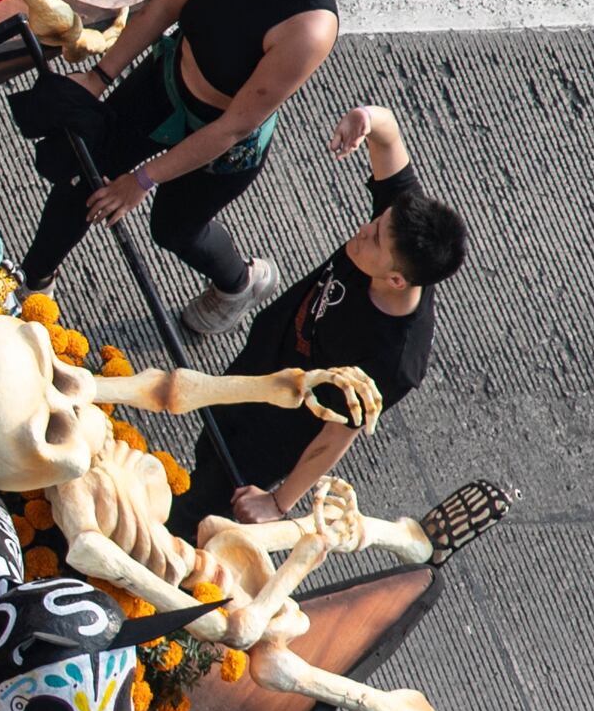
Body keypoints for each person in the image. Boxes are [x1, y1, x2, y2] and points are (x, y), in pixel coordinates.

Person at [15, 0, 365, 321]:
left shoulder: (310, 29)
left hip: (221, 142)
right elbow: (164, 6)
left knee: (173, 228)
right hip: (165, 83)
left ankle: (239, 282)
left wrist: (140, 180)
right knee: (86, 178)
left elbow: (234, 125)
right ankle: (33, 281)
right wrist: (99, 77)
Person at [173, 102, 468, 535]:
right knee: (206, 437)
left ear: (397, 279)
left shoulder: (394, 360)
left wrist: (277, 502)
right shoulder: (401, 222)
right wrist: (366, 118)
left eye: (374, 241)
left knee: (196, 510)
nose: (361, 233)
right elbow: (388, 136)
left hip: (270, 435)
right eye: (375, 223)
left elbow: (337, 435)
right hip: (256, 367)